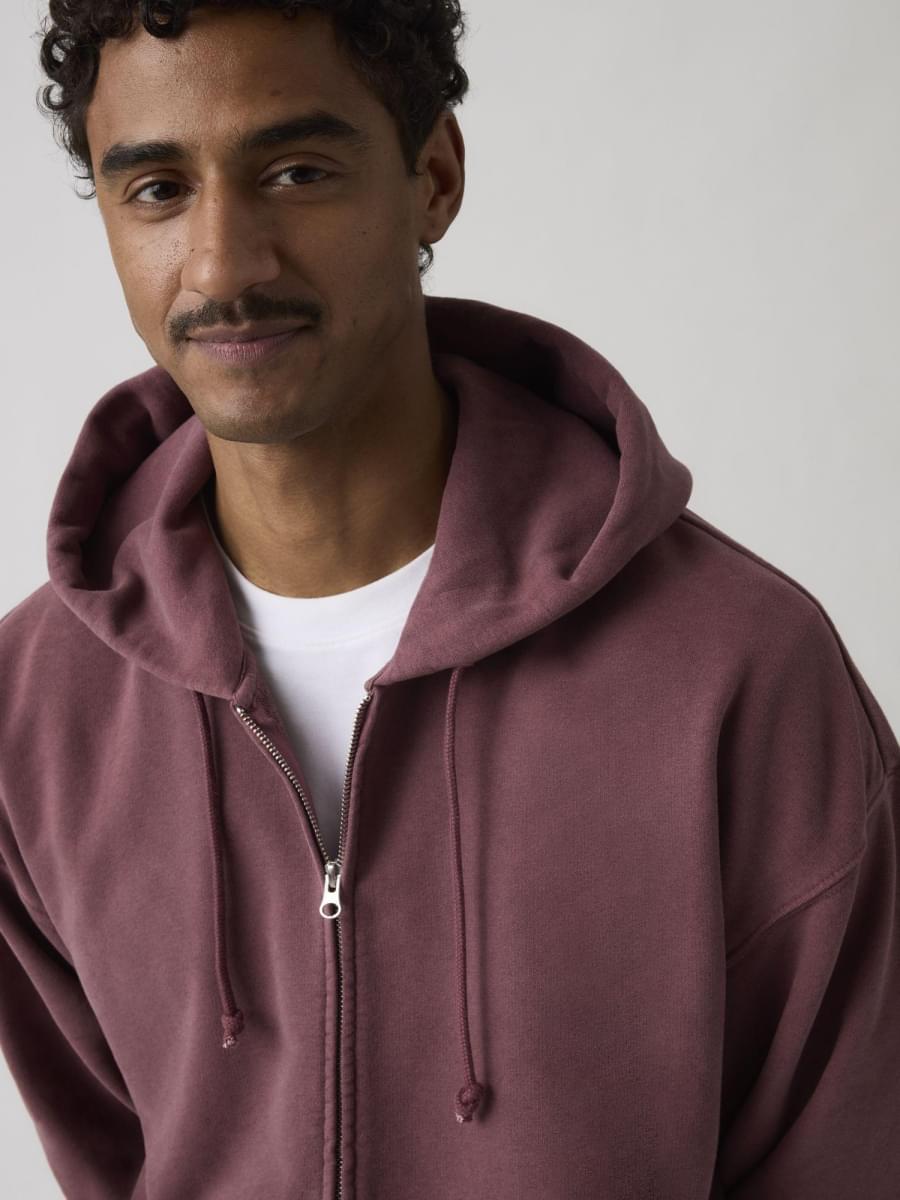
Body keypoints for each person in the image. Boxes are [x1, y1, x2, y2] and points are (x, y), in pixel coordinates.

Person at [1, 2, 898, 1198]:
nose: (223, 266)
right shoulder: (35, 710)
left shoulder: (734, 671)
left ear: (433, 178)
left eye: (296, 171)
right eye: (158, 190)